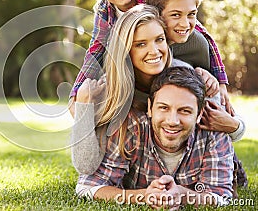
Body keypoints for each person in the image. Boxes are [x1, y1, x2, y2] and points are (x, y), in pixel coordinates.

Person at [71, 4, 245, 175]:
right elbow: (86, 166)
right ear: (125, 50)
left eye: (159, 39)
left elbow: (222, 129)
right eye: (140, 44)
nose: (154, 51)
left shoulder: (190, 79)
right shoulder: (108, 90)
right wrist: (84, 106)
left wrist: (235, 127)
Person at [69, 0, 229, 115]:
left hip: (166, 55)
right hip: (135, 68)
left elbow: (201, 32)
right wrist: (76, 93)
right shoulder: (104, 12)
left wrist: (221, 81)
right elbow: (95, 51)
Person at [75, 66, 234, 209]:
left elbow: (222, 198)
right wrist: (144, 196)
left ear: (199, 114)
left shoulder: (214, 134)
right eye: (164, 108)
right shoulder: (130, 128)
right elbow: (87, 187)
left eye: (185, 111)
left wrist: (181, 194)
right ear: (150, 108)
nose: (172, 121)